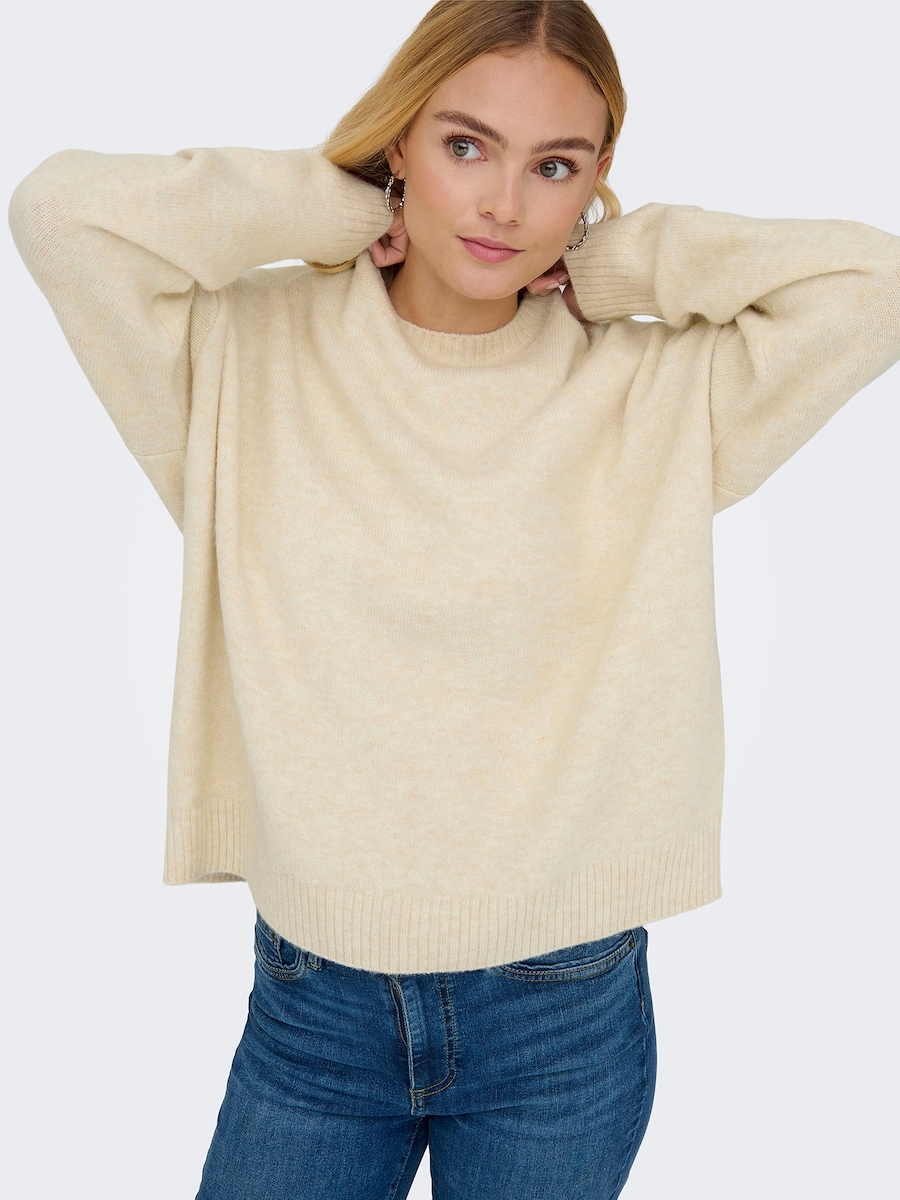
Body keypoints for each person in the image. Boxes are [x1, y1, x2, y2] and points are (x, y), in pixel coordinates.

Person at [7, 1, 899, 1197]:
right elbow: (60, 212)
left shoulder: (660, 392)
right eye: (465, 146)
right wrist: (344, 204)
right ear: (402, 141)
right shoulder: (237, 358)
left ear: (595, 178)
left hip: (558, 1012)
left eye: (555, 167)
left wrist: (609, 261)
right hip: (314, 1011)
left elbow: (875, 285)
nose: (504, 205)